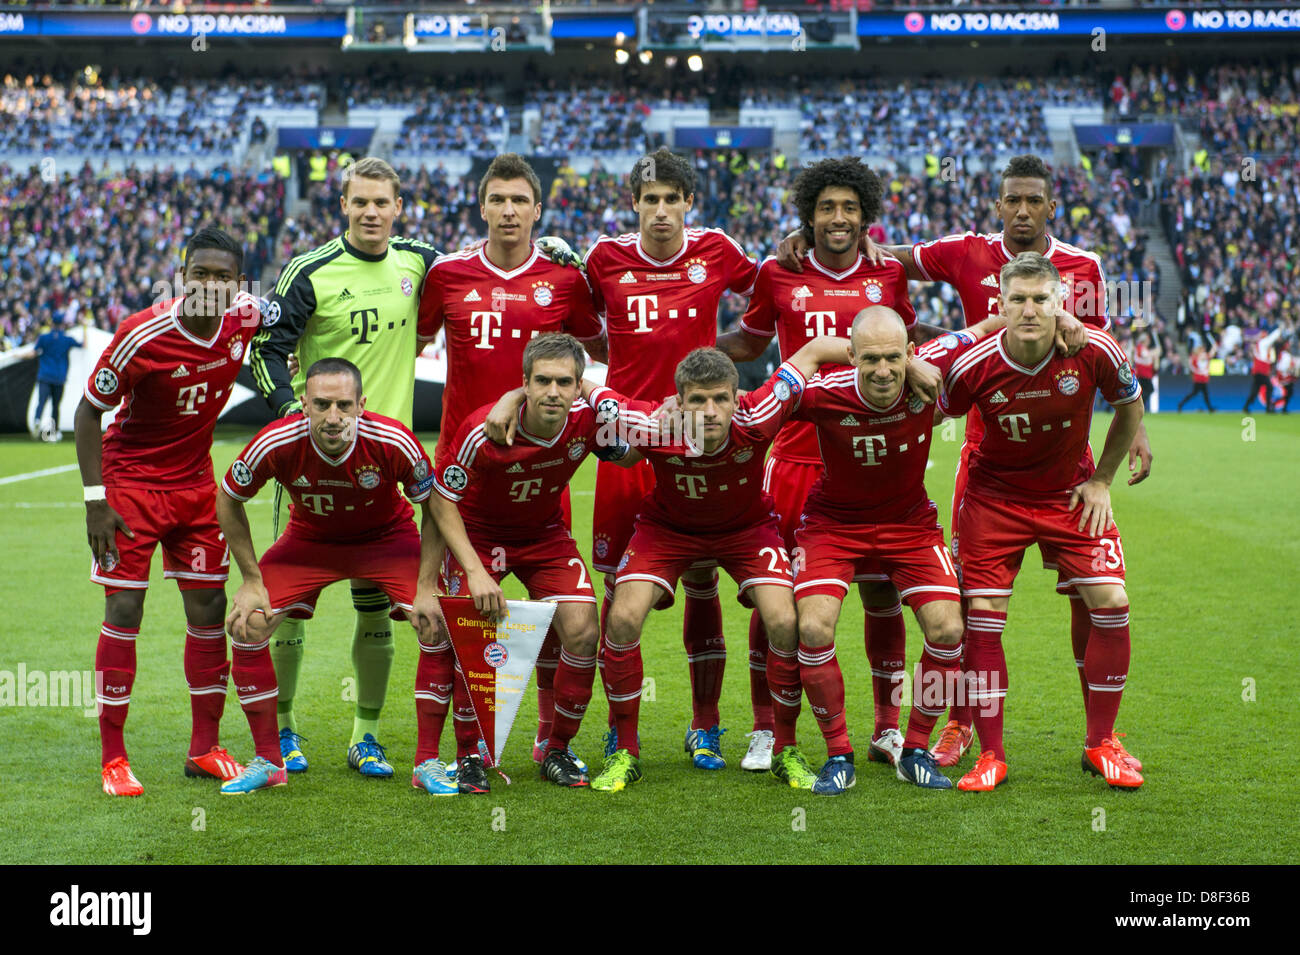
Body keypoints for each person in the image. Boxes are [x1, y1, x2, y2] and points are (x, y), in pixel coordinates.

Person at [783, 154, 1151, 769]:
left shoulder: (1084, 267)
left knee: (1095, 599)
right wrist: (826, 238)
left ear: (1051, 206)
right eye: (1014, 200)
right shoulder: (964, 253)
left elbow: (1102, 360)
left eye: (1036, 200)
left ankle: (1100, 737)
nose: (1024, 210)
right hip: (986, 456)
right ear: (999, 204)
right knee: (968, 611)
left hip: (1066, 461)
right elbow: (891, 258)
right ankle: (958, 725)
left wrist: (1123, 448)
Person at [717, 157, 925, 772]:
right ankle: (767, 731)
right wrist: (681, 349)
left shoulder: (888, 272)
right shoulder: (778, 272)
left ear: (866, 216)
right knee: (773, 603)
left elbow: (905, 348)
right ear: (808, 214)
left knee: (884, 592)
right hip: (797, 462)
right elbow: (750, 343)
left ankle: (889, 728)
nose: (838, 218)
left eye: (849, 208)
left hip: (875, 457)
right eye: (826, 208)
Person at [249, 157, 442, 777]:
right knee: (290, 610)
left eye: (381, 202)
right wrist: (294, 421)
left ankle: (366, 736)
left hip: (389, 460)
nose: (370, 213)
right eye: (359, 202)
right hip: (317, 458)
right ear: (343, 205)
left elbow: (481, 272)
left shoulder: (419, 261)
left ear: (398, 207)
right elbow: (266, 352)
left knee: (374, 607)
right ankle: (282, 732)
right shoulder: (310, 273)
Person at [584, 340, 847, 792]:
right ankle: (625, 749)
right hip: (667, 530)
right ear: (678, 401)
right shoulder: (653, 423)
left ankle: (785, 747)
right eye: (698, 400)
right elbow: (586, 386)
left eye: (720, 398)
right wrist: (516, 397)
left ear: (736, 397)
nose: (710, 410)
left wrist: (904, 357)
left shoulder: (760, 413)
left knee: (785, 621)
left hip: (746, 530)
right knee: (622, 618)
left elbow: (810, 354)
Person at [417, 153, 606, 769]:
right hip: (464, 482)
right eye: (497, 199)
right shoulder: (446, 275)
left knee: (570, 624)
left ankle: (553, 744)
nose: (508, 210)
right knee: (459, 630)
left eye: (519, 200)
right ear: (482, 206)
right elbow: (407, 343)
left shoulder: (563, 280)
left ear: (537, 211)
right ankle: (457, 754)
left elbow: (596, 348)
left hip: (540, 486)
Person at [931, 253, 1145, 791]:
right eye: (1018, 300)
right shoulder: (973, 365)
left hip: (1069, 493)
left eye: (1041, 299)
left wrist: (1101, 481)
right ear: (1000, 306)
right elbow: (931, 413)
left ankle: (1101, 743)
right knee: (981, 616)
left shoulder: (1094, 349)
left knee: (1112, 603)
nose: (1029, 310)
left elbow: (1130, 408)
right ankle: (991, 755)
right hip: (993, 499)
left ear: (1061, 304)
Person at [581, 147, 760, 772]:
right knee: (619, 591)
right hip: (629, 438)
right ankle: (617, 731)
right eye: (649, 199)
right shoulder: (604, 257)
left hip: (699, 436)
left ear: (689, 202)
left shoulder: (718, 250)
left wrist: (723, 350)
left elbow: (766, 302)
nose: (661, 210)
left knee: (702, 576)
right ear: (635, 203)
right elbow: (580, 329)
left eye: (671, 199)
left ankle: (705, 725)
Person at [73, 226, 264, 796]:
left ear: (238, 286)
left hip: (196, 487)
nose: (210, 284)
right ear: (182, 277)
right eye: (199, 273)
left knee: (208, 609)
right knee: (126, 609)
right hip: (130, 485)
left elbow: (295, 309)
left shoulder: (248, 318)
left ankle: (204, 748)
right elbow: (88, 414)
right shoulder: (141, 334)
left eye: (222, 276)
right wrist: (95, 502)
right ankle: (114, 758)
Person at [215, 358, 447, 795]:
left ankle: (426, 763)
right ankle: (269, 759)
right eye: (322, 405)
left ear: (362, 404)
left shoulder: (393, 440)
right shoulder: (277, 441)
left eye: (344, 405)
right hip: (310, 541)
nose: (334, 417)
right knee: (247, 623)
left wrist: (428, 585)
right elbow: (228, 497)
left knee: (436, 623)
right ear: (303, 403)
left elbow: (433, 506)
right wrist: (250, 580)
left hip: (386, 539)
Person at [428, 334, 634, 792]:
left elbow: (635, 452)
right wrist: (476, 571)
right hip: (479, 536)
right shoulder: (484, 429)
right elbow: (442, 502)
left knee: (582, 628)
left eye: (565, 382)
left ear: (580, 385)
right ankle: (467, 754)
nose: (553, 392)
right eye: (542, 381)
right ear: (524, 383)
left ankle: (556, 747)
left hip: (544, 536)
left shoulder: (589, 423)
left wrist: (675, 426)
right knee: (471, 629)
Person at [780, 307, 973, 793]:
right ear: (851, 357)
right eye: (870, 359)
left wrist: (1061, 318)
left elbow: (988, 332)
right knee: (813, 625)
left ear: (911, 355)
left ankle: (914, 750)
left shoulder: (928, 381)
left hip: (909, 523)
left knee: (949, 629)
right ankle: (838, 754)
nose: (883, 370)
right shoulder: (824, 394)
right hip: (833, 524)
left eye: (893, 358)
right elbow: (756, 408)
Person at [30, 315, 84, 439]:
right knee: (55, 406)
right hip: (59, 377)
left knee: (41, 402)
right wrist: (84, 327)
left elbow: (34, 352)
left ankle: (37, 420)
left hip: (44, 375)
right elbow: (83, 344)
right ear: (62, 324)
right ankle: (54, 431)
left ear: (51, 323)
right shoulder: (66, 339)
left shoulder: (43, 337)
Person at [1243, 324, 1287, 414]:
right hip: (1261, 372)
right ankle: (1268, 408)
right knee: (1269, 387)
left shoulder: (1261, 345)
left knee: (1255, 391)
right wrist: (1280, 329)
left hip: (1258, 372)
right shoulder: (1263, 343)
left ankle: (1246, 407)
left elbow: (1270, 358)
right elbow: (1272, 338)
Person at [1178, 342, 1216, 412]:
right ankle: (1181, 404)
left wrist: (1214, 347)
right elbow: (1207, 356)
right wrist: (1213, 348)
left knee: (1203, 394)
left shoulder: (1201, 357)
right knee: (1198, 394)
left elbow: (1210, 355)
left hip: (1203, 379)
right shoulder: (1196, 358)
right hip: (1199, 379)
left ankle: (1210, 408)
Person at [1131, 332, 1160, 412]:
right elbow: (1145, 355)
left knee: (1145, 390)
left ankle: (1140, 406)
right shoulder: (1140, 347)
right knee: (1150, 389)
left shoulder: (1142, 348)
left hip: (1145, 373)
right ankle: (1140, 405)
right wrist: (1154, 352)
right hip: (1144, 373)